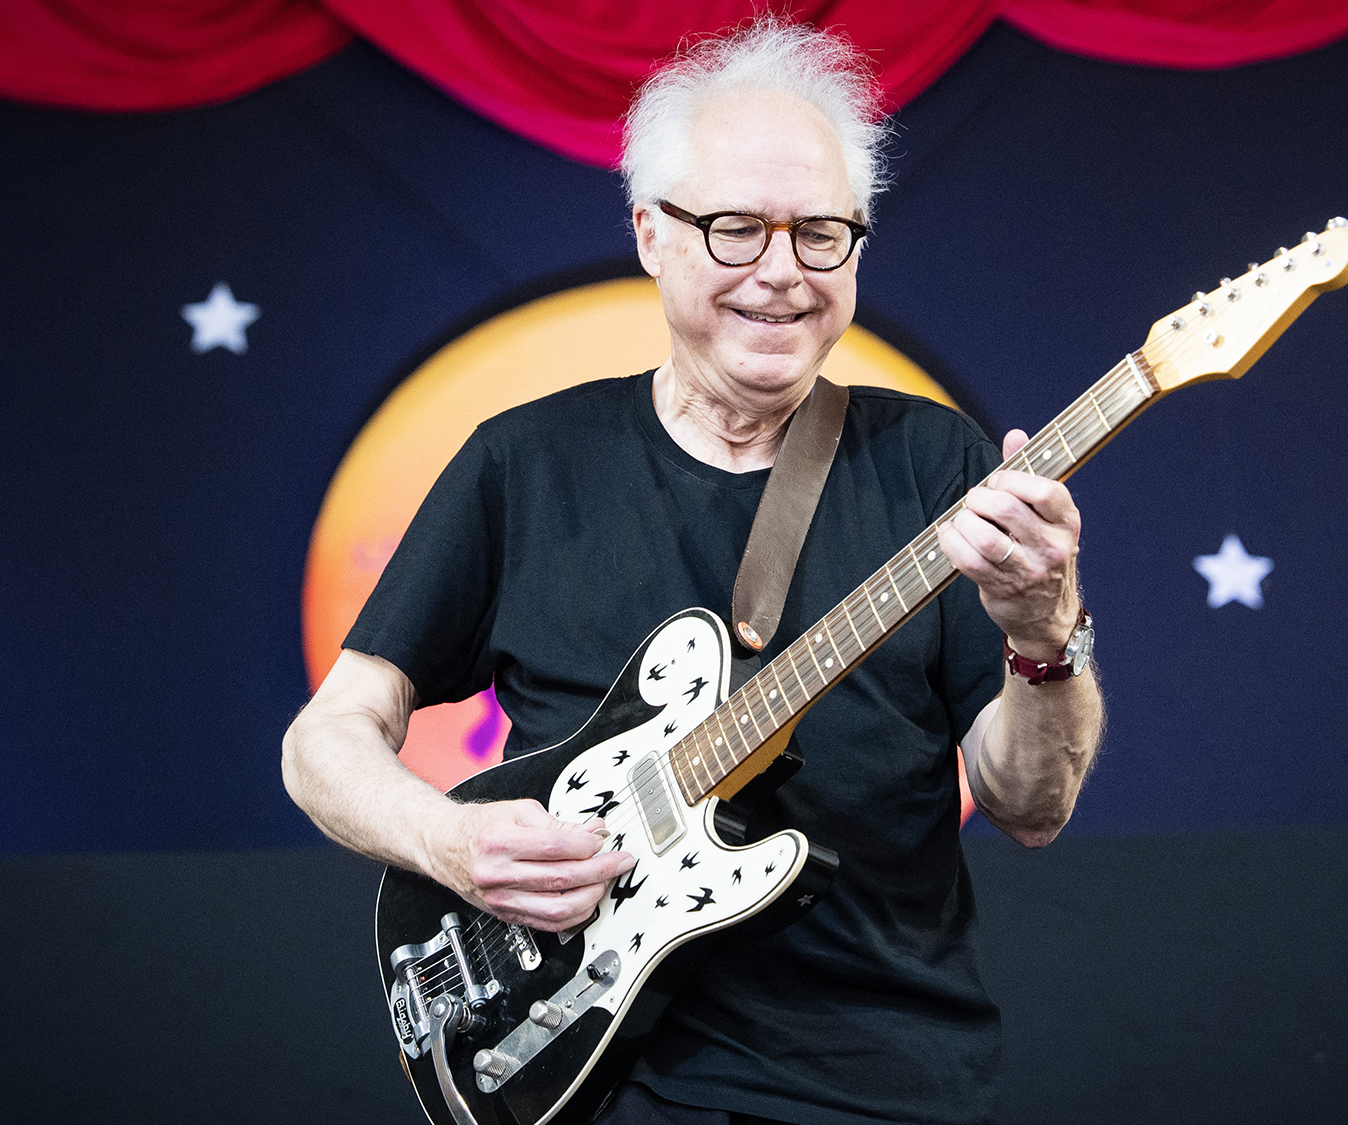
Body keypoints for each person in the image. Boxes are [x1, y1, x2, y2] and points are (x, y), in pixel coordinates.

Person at [281, 19, 1104, 1125]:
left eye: (821, 233)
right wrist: (453, 842)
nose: (780, 271)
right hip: (593, 1080)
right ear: (649, 235)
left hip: (879, 1085)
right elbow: (324, 740)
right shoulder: (525, 463)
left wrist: (1041, 638)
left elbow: (1030, 805)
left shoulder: (939, 466)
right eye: (732, 229)